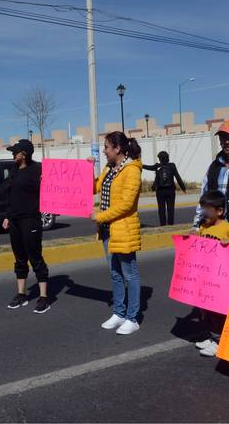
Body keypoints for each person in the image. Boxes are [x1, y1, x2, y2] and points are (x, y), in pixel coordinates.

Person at [92, 132, 143, 335]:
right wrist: (88, 169)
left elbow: (126, 204)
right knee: (115, 273)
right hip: (108, 230)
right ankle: (119, 312)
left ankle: (132, 317)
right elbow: (95, 187)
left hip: (123, 229)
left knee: (129, 273)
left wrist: (101, 216)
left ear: (117, 149)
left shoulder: (131, 170)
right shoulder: (109, 169)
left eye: (106, 147)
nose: (104, 151)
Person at [2, 139, 51, 314]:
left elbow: (56, 184)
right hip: (14, 220)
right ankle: (21, 294)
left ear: (24, 154)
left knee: (35, 256)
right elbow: (10, 196)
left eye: (15, 152)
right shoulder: (14, 171)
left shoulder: (38, 170)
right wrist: (7, 216)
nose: (12, 154)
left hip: (30, 220)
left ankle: (44, 297)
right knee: (19, 258)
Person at [193, 190, 229, 357]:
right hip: (206, 277)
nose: (203, 212)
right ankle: (211, 337)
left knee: (219, 312)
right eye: (202, 208)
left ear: (219, 211)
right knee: (205, 310)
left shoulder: (228, 228)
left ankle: (220, 342)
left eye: (207, 209)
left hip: (220, 279)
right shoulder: (203, 227)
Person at [143, 151, 187, 226]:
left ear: (160, 159)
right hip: (170, 190)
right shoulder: (172, 166)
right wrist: (183, 188)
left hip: (160, 191)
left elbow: (149, 167)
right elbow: (178, 177)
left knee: (161, 209)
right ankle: (170, 224)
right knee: (170, 208)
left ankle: (163, 224)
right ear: (167, 158)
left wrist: (141, 165)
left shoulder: (157, 166)